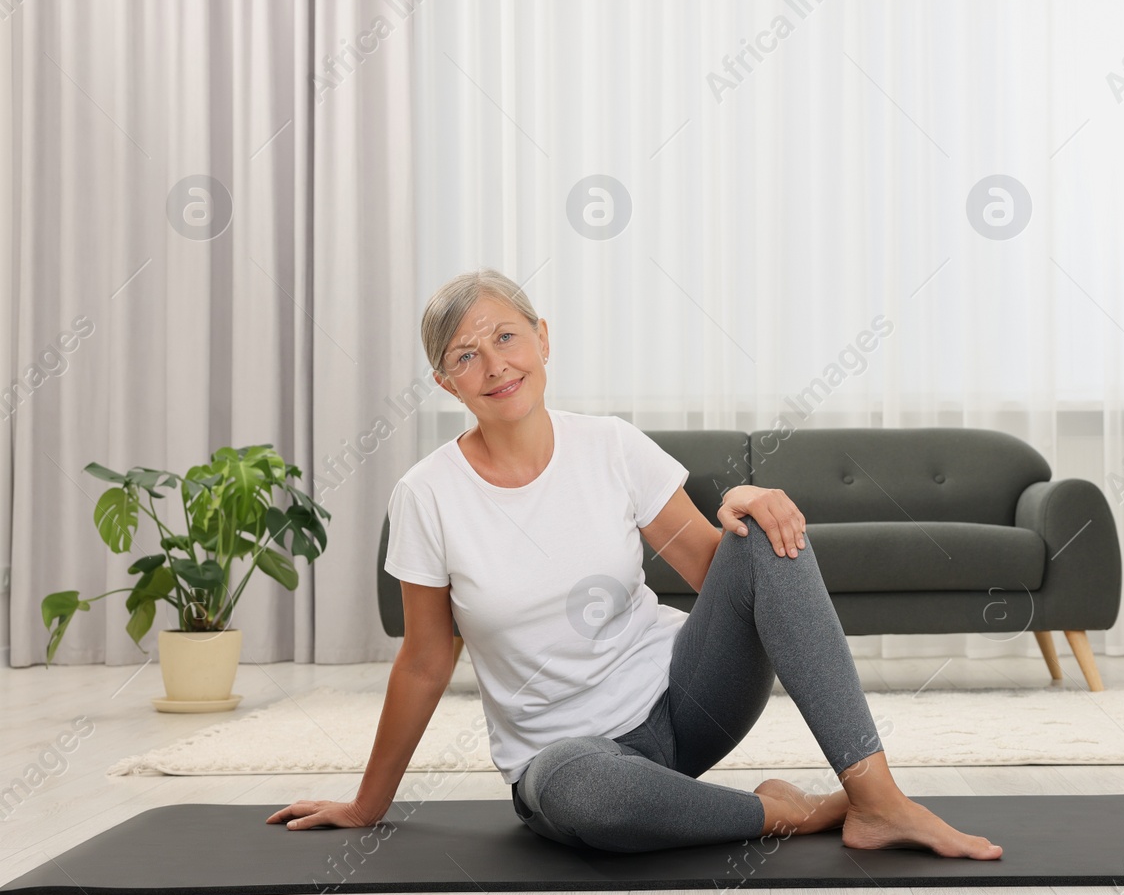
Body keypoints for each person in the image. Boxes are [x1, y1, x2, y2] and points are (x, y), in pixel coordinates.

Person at [268, 269, 1001, 858]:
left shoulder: (611, 446)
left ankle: (876, 797)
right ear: (445, 381)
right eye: (466, 354)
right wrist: (368, 803)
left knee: (765, 530)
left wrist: (744, 503)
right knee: (584, 798)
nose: (495, 365)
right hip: (567, 759)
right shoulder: (426, 494)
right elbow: (426, 660)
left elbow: (724, 573)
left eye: (506, 336)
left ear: (543, 340)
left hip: (685, 702)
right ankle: (781, 812)